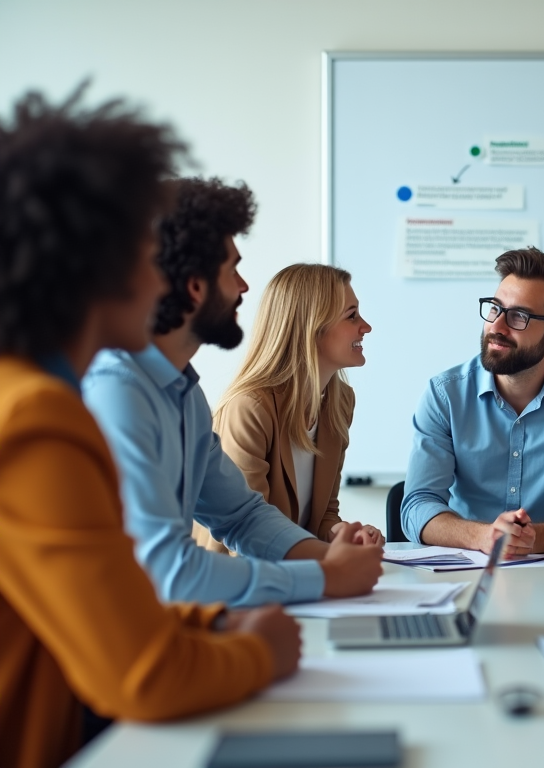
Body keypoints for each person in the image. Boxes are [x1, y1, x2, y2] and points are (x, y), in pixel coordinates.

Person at [0, 88, 300, 768]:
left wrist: (215, 619)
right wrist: (262, 651)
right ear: (100, 266)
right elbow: (143, 676)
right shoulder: (36, 422)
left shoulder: (39, 396)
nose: (160, 270)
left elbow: (102, 598)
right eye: (146, 249)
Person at [83, 177, 382, 609]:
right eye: (232, 270)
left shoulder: (183, 393)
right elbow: (168, 569)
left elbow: (241, 516)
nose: (244, 287)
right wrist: (323, 576)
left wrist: (335, 561)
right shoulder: (118, 393)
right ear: (195, 286)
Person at [401, 247, 544, 555]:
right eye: (495, 308)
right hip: (463, 569)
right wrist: (483, 537)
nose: (496, 326)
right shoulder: (445, 394)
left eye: (519, 316)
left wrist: (530, 540)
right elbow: (417, 506)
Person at [193, 263, 383, 552]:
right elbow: (246, 537)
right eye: (352, 315)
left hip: (293, 576)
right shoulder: (249, 408)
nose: (366, 327)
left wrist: (342, 534)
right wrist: (329, 565)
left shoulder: (339, 402)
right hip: (238, 585)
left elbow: (323, 516)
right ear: (311, 327)